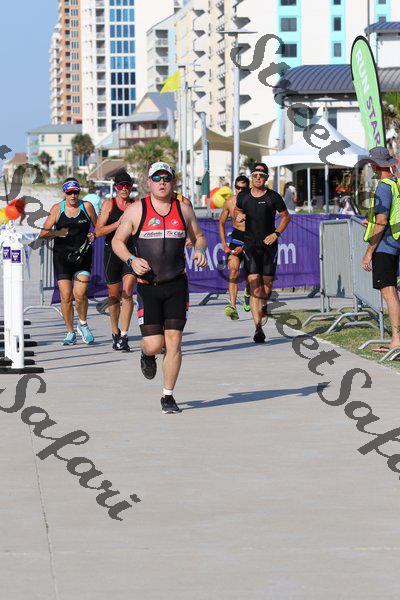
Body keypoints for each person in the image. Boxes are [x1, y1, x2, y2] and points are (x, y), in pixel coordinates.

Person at [112, 161, 207, 414]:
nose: (162, 182)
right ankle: (147, 355)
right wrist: (131, 260)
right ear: (149, 182)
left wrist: (199, 249)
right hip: (148, 287)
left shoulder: (183, 209)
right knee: (154, 345)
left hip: (176, 285)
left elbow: (199, 235)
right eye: (157, 178)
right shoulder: (136, 210)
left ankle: (168, 396)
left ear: (173, 182)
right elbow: (117, 242)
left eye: (166, 178)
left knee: (174, 341)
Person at [235, 163, 291, 343]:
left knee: (266, 290)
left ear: (266, 178)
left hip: (269, 247)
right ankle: (258, 328)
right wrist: (238, 216)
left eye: (261, 175)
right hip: (250, 245)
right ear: (251, 177)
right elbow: (237, 210)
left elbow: (286, 217)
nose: (258, 178)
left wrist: (276, 234)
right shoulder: (243, 196)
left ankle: (264, 305)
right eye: (255, 175)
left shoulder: (273, 197)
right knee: (255, 288)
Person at [40, 178, 97, 345]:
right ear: (64, 192)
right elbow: (43, 233)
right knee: (65, 296)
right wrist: (58, 233)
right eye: (70, 192)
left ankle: (83, 324)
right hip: (62, 258)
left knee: (79, 294)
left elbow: (99, 226)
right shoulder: (57, 209)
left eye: (76, 192)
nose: (73, 195)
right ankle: (70, 332)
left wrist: (95, 234)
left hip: (82, 256)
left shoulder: (87, 207)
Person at [361, 146, 400, 352]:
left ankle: (397, 340)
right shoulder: (396, 183)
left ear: (374, 165)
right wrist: (370, 222)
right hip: (395, 243)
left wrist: (368, 253)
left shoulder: (384, 187)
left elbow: (382, 221)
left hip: (385, 247)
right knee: (392, 292)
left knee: (389, 293)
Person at [95, 170, 136, 351]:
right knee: (113, 296)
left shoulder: (135, 206)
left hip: (130, 252)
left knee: (128, 291)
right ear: (116, 187)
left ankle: (125, 335)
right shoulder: (108, 205)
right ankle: (115, 331)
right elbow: (98, 231)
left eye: (127, 186)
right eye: (121, 186)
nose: (124, 189)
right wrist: (118, 223)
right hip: (112, 253)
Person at [219, 175, 251, 319]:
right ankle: (233, 307)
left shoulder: (253, 202)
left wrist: (244, 248)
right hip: (236, 238)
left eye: (243, 188)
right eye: (238, 188)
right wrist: (224, 244)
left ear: (248, 188)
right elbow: (221, 223)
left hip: (251, 239)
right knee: (233, 271)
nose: (240, 190)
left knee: (250, 274)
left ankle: (247, 294)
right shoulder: (229, 202)